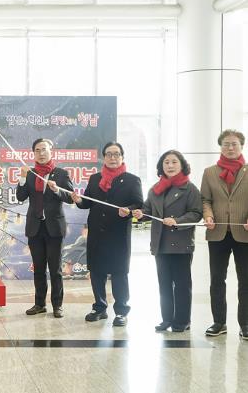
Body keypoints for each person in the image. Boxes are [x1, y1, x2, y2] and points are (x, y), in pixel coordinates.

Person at [71, 142, 143, 327]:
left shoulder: (132, 180)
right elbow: (87, 202)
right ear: (104, 158)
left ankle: (121, 312)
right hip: (97, 233)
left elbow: (139, 204)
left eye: (116, 154)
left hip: (118, 235)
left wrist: (128, 210)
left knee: (119, 273)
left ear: (122, 157)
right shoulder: (95, 178)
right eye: (109, 154)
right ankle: (99, 308)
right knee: (97, 272)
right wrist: (79, 200)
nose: (113, 157)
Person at [133, 150, 202, 332]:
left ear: (182, 165)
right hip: (160, 243)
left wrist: (177, 221)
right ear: (161, 166)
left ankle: (182, 321)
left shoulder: (189, 188)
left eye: (174, 162)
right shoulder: (156, 189)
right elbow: (147, 210)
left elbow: (196, 213)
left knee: (181, 285)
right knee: (164, 284)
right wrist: (140, 214)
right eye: (166, 162)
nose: (170, 165)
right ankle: (166, 319)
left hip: (181, 243)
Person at [16, 138, 73, 318]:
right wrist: (22, 178)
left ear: (51, 152)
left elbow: (70, 198)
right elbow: (20, 197)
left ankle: (57, 305)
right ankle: (39, 304)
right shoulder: (30, 173)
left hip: (54, 228)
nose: (41, 153)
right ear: (33, 153)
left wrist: (56, 190)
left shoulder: (61, 174)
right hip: (35, 228)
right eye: (38, 150)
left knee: (55, 270)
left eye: (44, 150)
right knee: (39, 269)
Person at [201, 129, 248, 339]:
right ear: (220, 147)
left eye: (234, 144)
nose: (230, 147)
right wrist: (208, 215)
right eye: (226, 144)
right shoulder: (210, 172)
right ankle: (219, 322)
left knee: (245, 280)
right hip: (217, 233)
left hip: (244, 234)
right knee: (217, 279)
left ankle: (245, 324)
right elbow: (205, 200)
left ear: (241, 146)